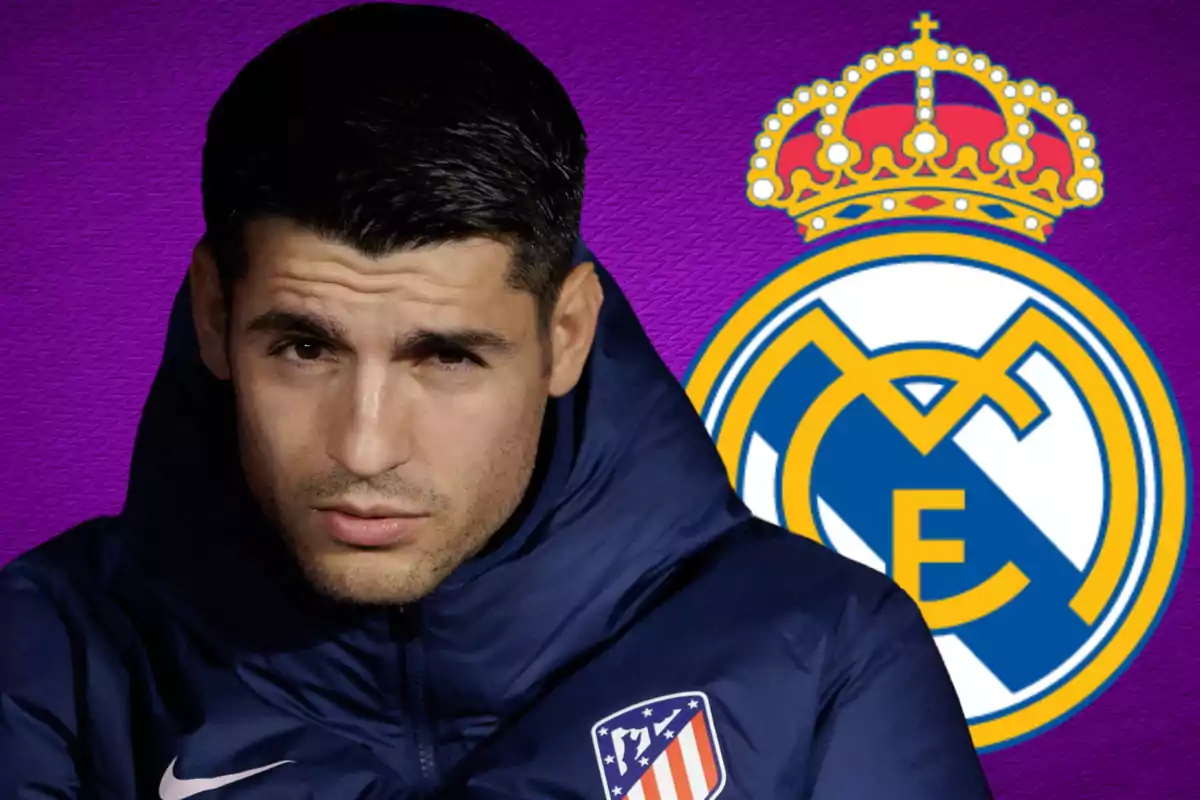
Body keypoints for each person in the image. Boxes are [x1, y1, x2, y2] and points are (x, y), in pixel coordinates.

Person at [0, 3, 994, 798]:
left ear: (565, 332)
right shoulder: (48, 651)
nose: (367, 443)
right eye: (304, 346)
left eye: (445, 357)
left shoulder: (827, 651)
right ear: (215, 313)